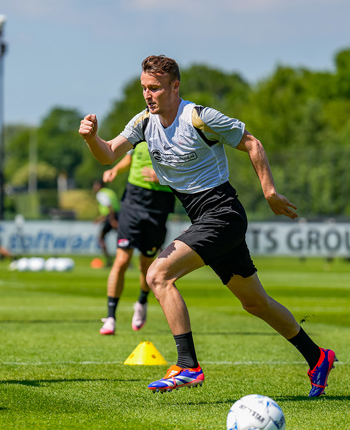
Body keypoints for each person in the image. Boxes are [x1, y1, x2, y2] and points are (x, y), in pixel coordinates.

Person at [79, 55, 336, 397]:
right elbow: (109, 153)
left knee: (158, 276)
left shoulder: (199, 117)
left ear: (175, 86)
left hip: (223, 214)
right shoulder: (143, 122)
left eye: (155, 88)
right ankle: (318, 357)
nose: (148, 95)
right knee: (255, 303)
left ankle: (188, 365)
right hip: (206, 219)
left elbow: (252, 143)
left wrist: (269, 192)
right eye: (144, 88)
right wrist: (91, 139)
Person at [98, 141, 175, 335]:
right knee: (122, 260)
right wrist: (115, 170)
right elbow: (130, 159)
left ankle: (141, 302)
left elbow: (188, 170)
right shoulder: (140, 131)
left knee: (146, 265)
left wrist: (162, 177)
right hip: (132, 202)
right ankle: (110, 317)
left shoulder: (178, 136)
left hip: (159, 205)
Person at [92, 180, 120, 267]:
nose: (94, 188)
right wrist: (101, 218)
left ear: (100, 186)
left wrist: (112, 220)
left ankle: (109, 260)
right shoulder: (110, 192)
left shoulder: (100, 194)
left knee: (101, 238)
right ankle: (127, 262)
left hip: (111, 217)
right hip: (118, 215)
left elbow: (109, 206)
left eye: (95, 185)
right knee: (122, 239)